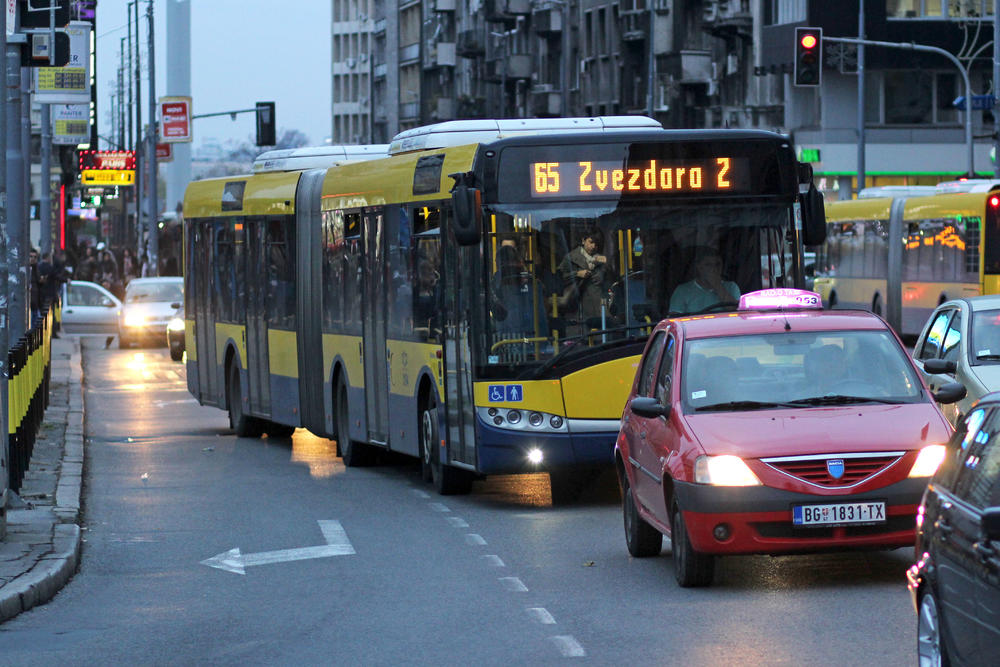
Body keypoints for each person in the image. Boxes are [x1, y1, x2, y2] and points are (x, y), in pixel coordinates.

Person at [559, 228, 608, 325]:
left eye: (597, 244)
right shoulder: (571, 258)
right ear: (583, 240)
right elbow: (559, 278)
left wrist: (603, 273)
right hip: (575, 308)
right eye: (591, 242)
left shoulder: (601, 259)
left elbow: (611, 282)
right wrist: (577, 274)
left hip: (598, 308)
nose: (593, 246)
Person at [669, 248, 740, 314]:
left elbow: (736, 312)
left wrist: (717, 286)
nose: (714, 269)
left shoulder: (731, 287)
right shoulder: (682, 291)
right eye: (708, 265)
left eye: (717, 264)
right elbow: (675, 320)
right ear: (699, 267)